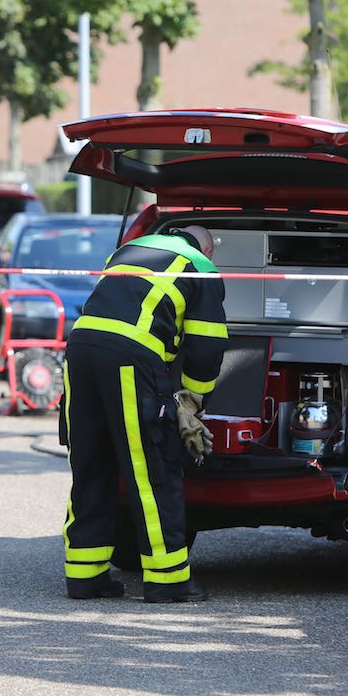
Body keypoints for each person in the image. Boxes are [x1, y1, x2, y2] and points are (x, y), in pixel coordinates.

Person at [59, 225, 227, 603]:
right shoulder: (199, 265)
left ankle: (85, 576)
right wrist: (192, 401)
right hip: (129, 357)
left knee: (91, 464)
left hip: (80, 349)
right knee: (151, 468)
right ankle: (168, 580)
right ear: (208, 249)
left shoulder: (126, 250)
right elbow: (207, 343)